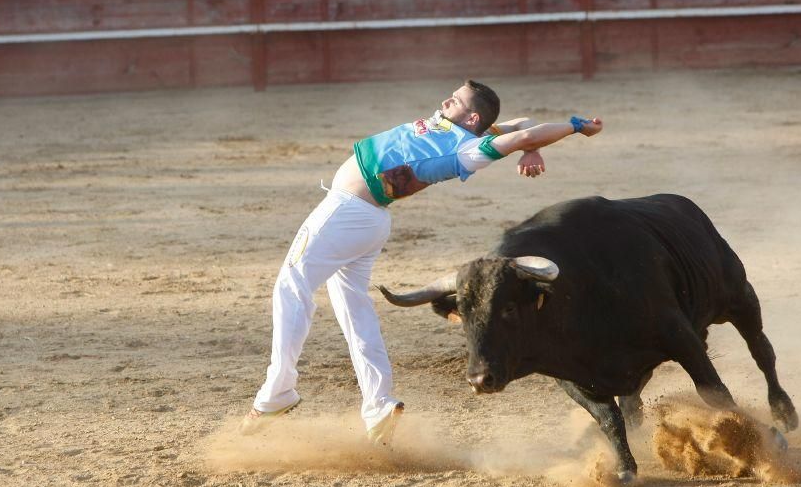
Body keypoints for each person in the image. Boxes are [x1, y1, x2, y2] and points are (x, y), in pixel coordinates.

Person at [241, 80, 602, 446]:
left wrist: (574, 126)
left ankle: (278, 390)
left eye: (456, 100)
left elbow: (526, 132)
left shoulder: (468, 151)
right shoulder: (457, 130)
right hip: (367, 219)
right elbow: (522, 124)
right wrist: (531, 147)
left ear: (471, 116)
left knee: (291, 284)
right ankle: (379, 403)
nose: (446, 100)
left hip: (348, 212)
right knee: (354, 310)